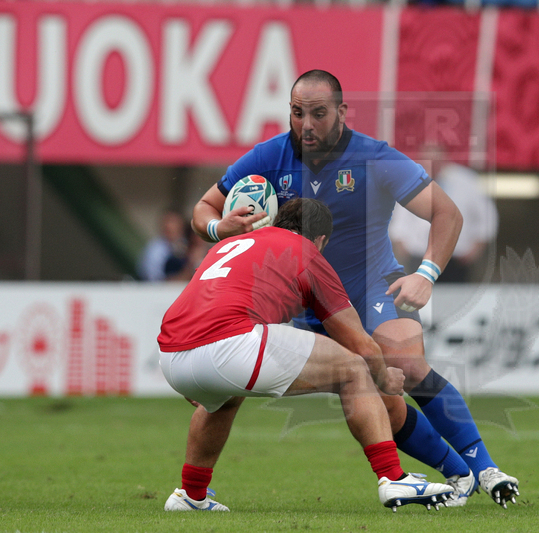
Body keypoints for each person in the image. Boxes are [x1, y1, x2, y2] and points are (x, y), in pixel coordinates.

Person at [191, 70, 519, 507]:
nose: (306, 124)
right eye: (297, 113)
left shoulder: (375, 157)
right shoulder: (267, 157)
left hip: (372, 286)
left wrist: (426, 273)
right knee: (384, 401)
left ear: (342, 112)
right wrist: (218, 226)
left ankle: (485, 467)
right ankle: (457, 473)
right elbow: (204, 207)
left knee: (407, 365)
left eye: (319, 114)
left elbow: (448, 214)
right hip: (306, 302)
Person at [158, 198, 454, 512]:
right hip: (228, 345)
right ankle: (394, 477)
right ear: (321, 239)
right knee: (353, 368)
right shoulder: (307, 252)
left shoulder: (230, 244)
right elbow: (360, 344)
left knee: (225, 399)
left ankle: (190, 496)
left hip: (171, 354)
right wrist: (385, 376)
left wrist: (199, 369)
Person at [390, 143, 498, 283]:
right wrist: (403, 249)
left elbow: (486, 217)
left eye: (436, 160)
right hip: (419, 256)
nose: (432, 164)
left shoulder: (466, 181)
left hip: (457, 257)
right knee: (422, 299)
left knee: (455, 298)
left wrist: (475, 249)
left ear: (445, 159)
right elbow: (398, 219)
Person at [137, 210, 190, 281]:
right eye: (167, 222)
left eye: (173, 222)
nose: (169, 226)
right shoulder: (155, 248)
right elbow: (154, 279)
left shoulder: (190, 244)